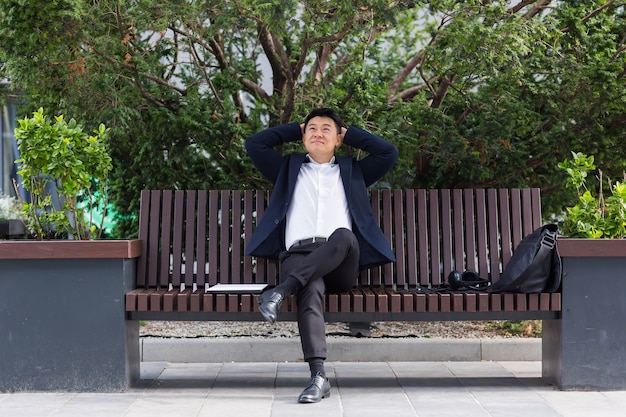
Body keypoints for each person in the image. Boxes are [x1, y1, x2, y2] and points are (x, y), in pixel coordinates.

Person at [244, 108, 398, 403]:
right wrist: (295, 127)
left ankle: (281, 291)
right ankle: (318, 376)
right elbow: (255, 144)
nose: (318, 133)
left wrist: (349, 131)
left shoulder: (353, 171)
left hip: (341, 258)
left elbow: (388, 153)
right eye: (311, 128)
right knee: (310, 289)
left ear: (338, 139)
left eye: (326, 129)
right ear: (303, 137)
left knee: (343, 234)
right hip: (298, 255)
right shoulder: (287, 169)